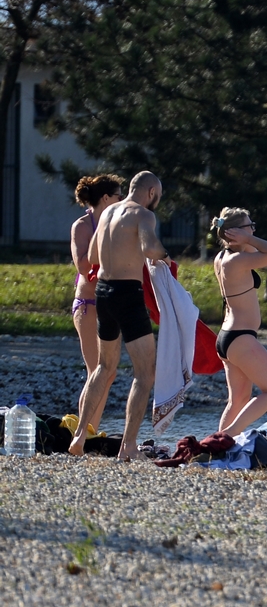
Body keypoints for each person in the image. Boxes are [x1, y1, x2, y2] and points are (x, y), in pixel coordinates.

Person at [69, 171, 168, 460]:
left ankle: (79, 437)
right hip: (128, 295)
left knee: (103, 366)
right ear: (151, 193)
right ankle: (128, 446)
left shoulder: (109, 212)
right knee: (144, 373)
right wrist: (165, 256)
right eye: (158, 197)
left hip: (103, 293)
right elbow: (150, 248)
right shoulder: (144, 215)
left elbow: (93, 256)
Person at [211, 208, 267, 435]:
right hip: (240, 338)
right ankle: (227, 436)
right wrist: (248, 238)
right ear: (236, 232)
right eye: (249, 225)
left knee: (238, 399)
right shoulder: (236, 261)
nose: (253, 229)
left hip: (228, 337)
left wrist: (244, 238)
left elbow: (260, 251)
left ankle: (218, 446)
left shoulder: (223, 257)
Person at [69, 175, 127, 418]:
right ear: (105, 198)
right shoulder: (82, 226)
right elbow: (83, 266)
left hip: (111, 304)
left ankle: (91, 428)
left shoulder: (119, 224)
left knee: (109, 373)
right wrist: (103, 236)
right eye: (119, 196)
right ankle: (82, 430)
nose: (123, 200)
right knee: (97, 371)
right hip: (88, 304)